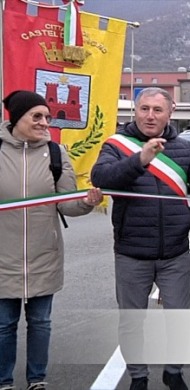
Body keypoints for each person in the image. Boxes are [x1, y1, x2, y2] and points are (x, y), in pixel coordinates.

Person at [91, 87, 190, 390]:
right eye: (144, 108)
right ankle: (138, 376)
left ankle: (173, 371)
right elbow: (102, 179)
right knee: (132, 321)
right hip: (132, 252)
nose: (150, 115)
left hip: (175, 252)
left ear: (170, 112)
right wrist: (140, 159)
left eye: (157, 110)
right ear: (135, 110)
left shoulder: (184, 149)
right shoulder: (116, 145)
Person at [0, 90, 102, 390]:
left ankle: (37, 380)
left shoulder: (57, 154)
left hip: (44, 254)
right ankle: (4, 381)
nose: (46, 122)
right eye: (37, 116)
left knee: (40, 324)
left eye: (47, 116)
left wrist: (87, 202)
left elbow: (67, 204)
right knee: (4, 326)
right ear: (17, 118)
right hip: (3, 257)